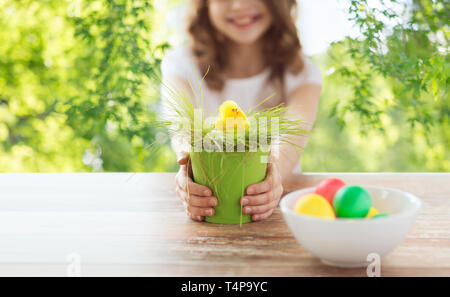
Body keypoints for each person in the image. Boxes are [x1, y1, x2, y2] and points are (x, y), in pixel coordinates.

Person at [161, 0, 322, 222]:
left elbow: (294, 133)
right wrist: (187, 170)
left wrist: (271, 177)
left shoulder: (303, 73)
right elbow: (182, 130)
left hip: (282, 211)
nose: (238, 5)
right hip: (211, 211)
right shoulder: (180, 65)